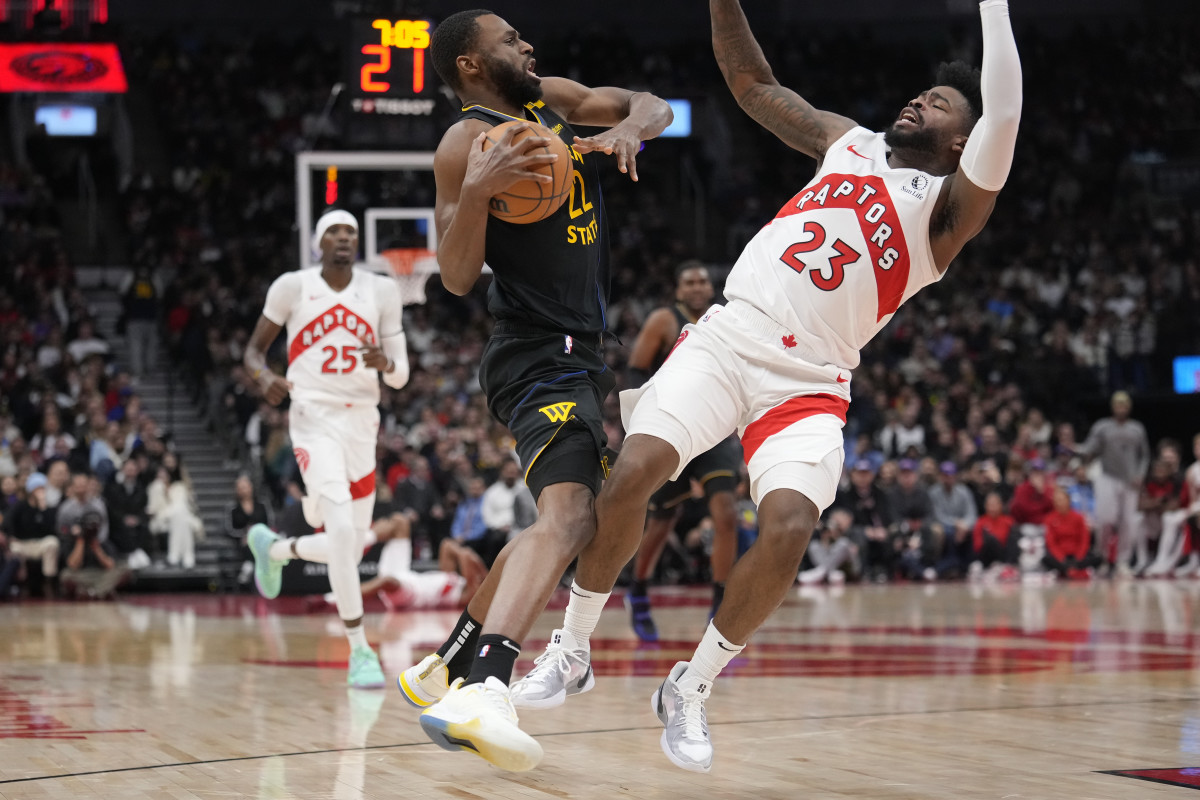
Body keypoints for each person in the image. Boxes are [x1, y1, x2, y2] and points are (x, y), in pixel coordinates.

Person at [505, 0, 1021, 773]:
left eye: (940, 103)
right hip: (729, 336)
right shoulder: (849, 142)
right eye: (922, 93)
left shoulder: (949, 213)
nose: (920, 100)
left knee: (785, 528)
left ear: (962, 142)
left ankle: (691, 686)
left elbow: (1006, 110)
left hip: (811, 379)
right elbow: (750, 82)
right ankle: (573, 647)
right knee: (636, 471)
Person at [394, 9, 672, 772]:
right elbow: (453, 275)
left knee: (571, 523)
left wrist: (630, 132)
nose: (527, 45)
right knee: (573, 512)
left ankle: (444, 664)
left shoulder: (550, 97)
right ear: (472, 66)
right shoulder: (465, 140)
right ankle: (486, 682)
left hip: (584, 354)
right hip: (534, 351)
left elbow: (652, 104)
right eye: (509, 41)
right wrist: (477, 193)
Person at [242, 208, 411, 690]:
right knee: (339, 528)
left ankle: (276, 549)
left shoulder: (380, 291)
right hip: (313, 418)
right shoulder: (292, 287)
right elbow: (253, 353)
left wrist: (385, 362)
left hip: (363, 421)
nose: (343, 238)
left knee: (351, 545)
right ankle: (361, 650)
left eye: (350, 232)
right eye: (334, 231)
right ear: (319, 242)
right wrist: (264, 377)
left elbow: (400, 373)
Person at [623, 261, 742, 640]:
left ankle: (720, 604)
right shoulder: (664, 320)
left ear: (711, 288)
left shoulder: (727, 318)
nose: (696, 287)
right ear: (678, 289)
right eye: (688, 281)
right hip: (672, 428)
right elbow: (636, 370)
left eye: (702, 281)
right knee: (662, 522)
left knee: (726, 512)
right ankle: (638, 589)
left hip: (714, 429)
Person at [1079, 391, 1150, 576]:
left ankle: (1122, 562)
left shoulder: (1137, 428)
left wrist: (1140, 474)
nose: (1121, 408)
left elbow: (1145, 455)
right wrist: (1076, 449)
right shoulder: (1102, 427)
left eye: (1124, 404)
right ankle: (1102, 558)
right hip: (1107, 477)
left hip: (1130, 481)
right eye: (1118, 404)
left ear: (1129, 407)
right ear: (1112, 406)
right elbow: (1089, 447)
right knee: (1105, 520)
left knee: (1129, 523)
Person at [357, 512, 488, 610]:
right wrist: (479, 570)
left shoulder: (467, 596)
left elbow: (467, 557)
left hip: (409, 595)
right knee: (400, 521)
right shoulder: (454, 577)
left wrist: (484, 573)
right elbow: (447, 545)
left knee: (386, 580)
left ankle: (341, 598)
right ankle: (361, 542)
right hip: (404, 573)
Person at [1041, 487, 1101, 579]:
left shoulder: (1078, 517)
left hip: (1077, 555)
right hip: (1060, 557)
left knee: (1098, 558)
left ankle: (1068, 570)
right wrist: (1062, 559)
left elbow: (1084, 539)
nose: (1059, 503)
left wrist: (1078, 558)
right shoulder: (1049, 519)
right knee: (1045, 559)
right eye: (1056, 500)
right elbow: (1051, 543)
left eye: (1061, 500)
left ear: (1068, 500)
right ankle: (1073, 570)